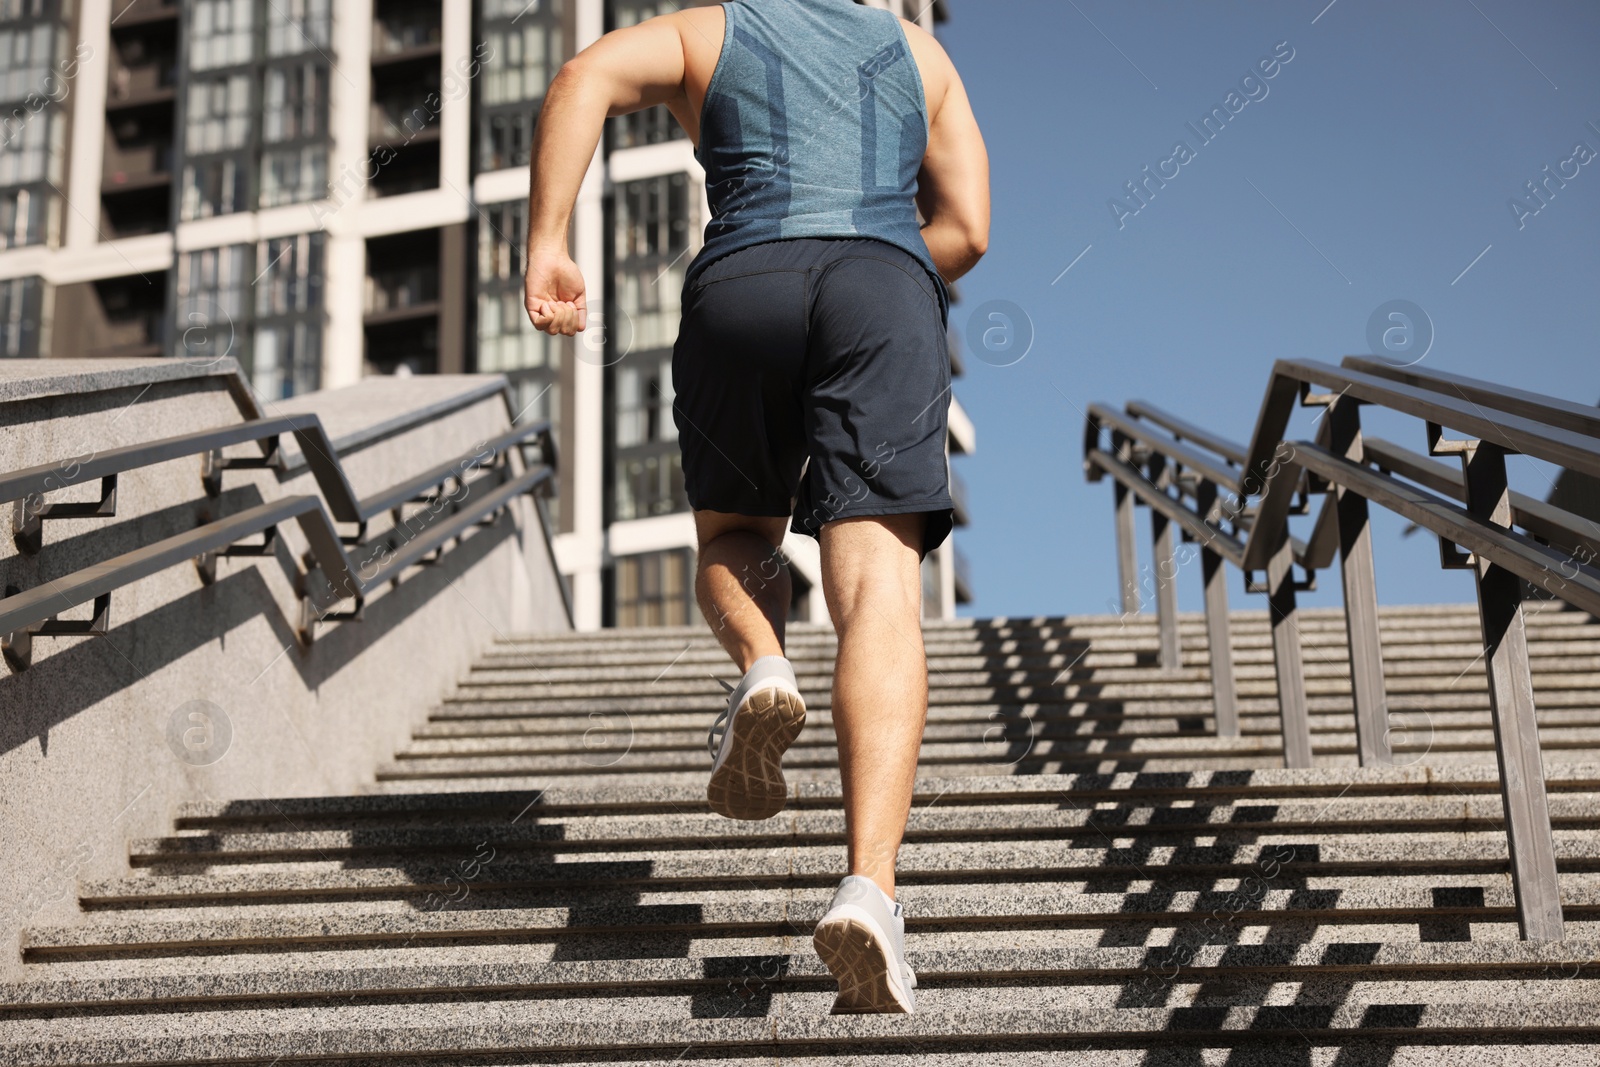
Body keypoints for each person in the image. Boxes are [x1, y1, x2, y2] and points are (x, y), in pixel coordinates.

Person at [524, 0, 989, 1015]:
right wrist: (887, 272)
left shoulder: (707, 31)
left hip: (742, 281)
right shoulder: (919, 52)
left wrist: (548, 241)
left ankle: (764, 664)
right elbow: (968, 229)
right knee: (877, 590)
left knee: (738, 533)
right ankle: (869, 888)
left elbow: (581, 78)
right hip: (880, 280)